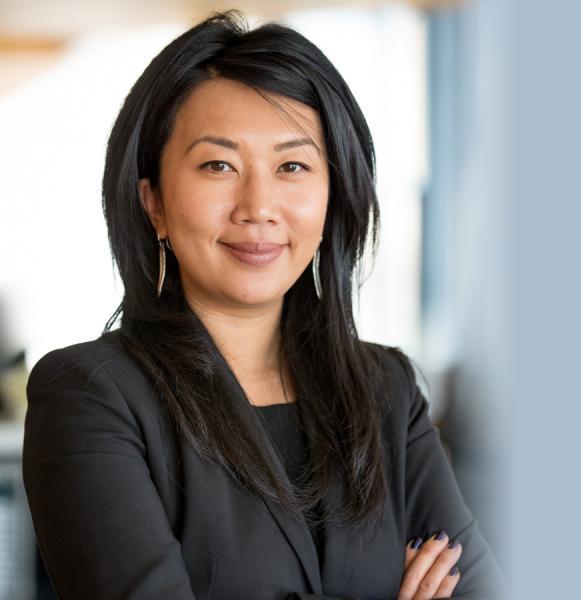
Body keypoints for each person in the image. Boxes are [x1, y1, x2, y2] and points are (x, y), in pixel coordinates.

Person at [22, 10, 507, 600]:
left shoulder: (386, 389)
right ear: (153, 201)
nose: (258, 206)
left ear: (334, 195)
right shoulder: (90, 394)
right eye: (218, 165)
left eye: (292, 166)